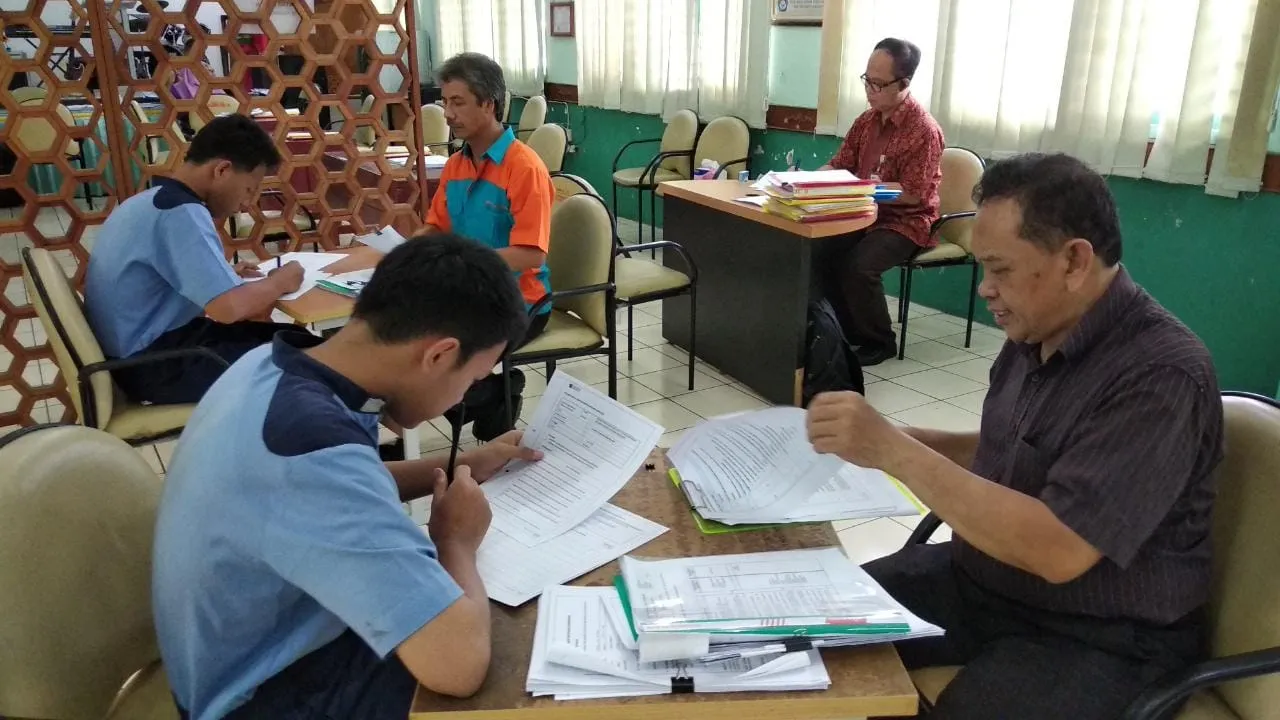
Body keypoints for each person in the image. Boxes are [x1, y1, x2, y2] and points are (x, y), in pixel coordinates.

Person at [807, 153, 1223, 719]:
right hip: (987, 583)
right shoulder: (1038, 329)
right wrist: (897, 439)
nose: (986, 289)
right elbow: (1009, 449)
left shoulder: (1160, 374)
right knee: (813, 625)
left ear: (1074, 260)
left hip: (1102, 632)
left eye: (1000, 270)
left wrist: (894, 450)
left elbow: (1058, 550)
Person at [153, 235, 541, 720]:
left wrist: (458, 465)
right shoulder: (309, 447)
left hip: (244, 648)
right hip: (259, 694)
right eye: (474, 378)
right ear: (439, 355)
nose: (468, 393)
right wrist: (456, 542)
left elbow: (340, 487)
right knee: (509, 652)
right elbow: (458, 667)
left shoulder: (271, 364)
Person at [84, 113, 304, 406]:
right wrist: (280, 282)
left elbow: (160, 276)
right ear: (222, 170)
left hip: (134, 355)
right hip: (154, 365)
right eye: (249, 189)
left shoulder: (151, 200)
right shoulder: (181, 212)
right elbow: (227, 309)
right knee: (308, 358)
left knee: (293, 337)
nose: (246, 202)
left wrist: (223, 273)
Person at [425, 52, 556, 439]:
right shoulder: (456, 164)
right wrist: (404, 257)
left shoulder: (524, 167)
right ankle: (492, 397)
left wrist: (464, 265)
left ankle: (493, 399)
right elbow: (435, 228)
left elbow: (532, 253)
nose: (448, 114)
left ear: (489, 104)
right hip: (467, 294)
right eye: (445, 102)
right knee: (403, 339)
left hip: (519, 302)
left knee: (439, 353)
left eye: (458, 102)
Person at [821, 38, 944, 367]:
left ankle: (879, 341)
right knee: (822, 252)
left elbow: (914, 193)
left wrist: (867, 188)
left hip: (905, 221)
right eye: (867, 80)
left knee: (859, 266)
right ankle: (845, 330)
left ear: (904, 84)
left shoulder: (924, 130)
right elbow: (840, 164)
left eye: (878, 84)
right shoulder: (866, 121)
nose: (870, 91)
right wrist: (807, 182)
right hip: (862, 212)